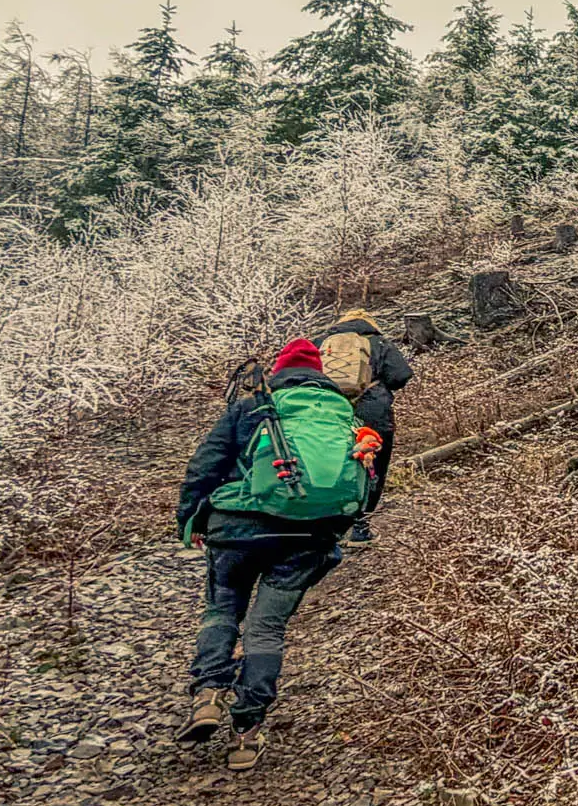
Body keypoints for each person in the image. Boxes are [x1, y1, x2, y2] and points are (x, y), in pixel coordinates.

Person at [173, 339, 369, 771]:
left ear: (280, 371)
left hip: (236, 530)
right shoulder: (345, 415)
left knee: (222, 609)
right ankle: (246, 731)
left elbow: (204, 465)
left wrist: (189, 518)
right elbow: (363, 485)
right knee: (266, 630)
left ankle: (208, 693)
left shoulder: (251, 408)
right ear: (320, 374)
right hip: (307, 537)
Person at [310, 310, 412, 548]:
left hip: (330, 413)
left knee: (331, 466)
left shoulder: (320, 342)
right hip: (371, 413)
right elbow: (400, 376)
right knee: (373, 466)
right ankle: (361, 528)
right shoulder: (379, 342)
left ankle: (330, 529)